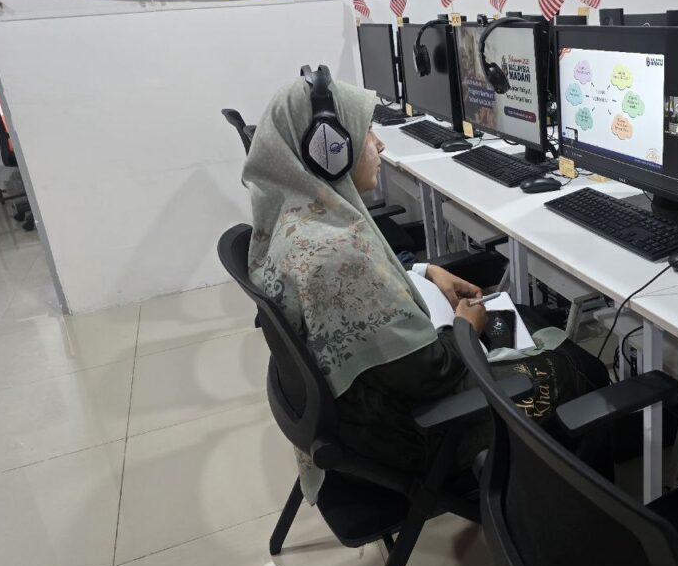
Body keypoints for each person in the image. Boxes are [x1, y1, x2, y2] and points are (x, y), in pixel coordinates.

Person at [243, 74, 608, 500]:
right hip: (416, 434)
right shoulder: (336, 253)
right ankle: (557, 516)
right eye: (367, 133)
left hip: (369, 412)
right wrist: (465, 327)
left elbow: (364, 291)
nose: (380, 144)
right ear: (329, 152)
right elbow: (433, 374)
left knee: (512, 319)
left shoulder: (301, 223)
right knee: (580, 368)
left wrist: (426, 271)